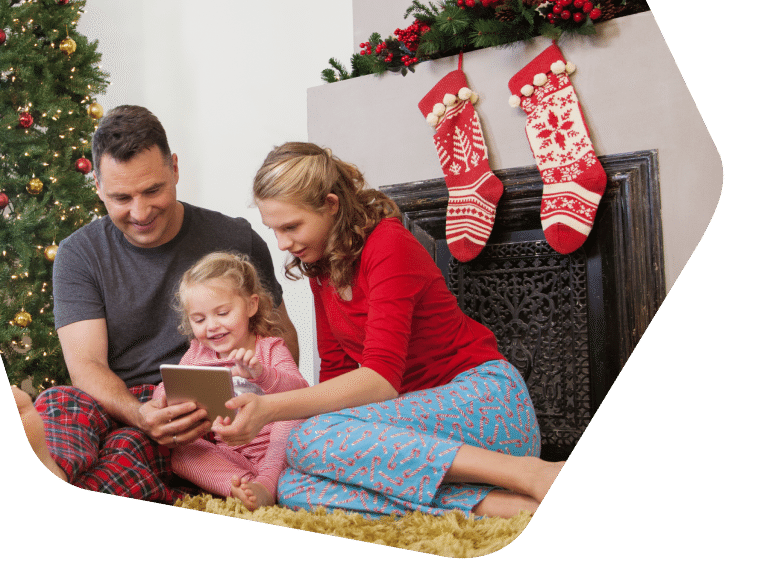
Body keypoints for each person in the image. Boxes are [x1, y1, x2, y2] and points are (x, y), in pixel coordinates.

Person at [211, 142, 564, 519]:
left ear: (331, 204)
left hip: (487, 403)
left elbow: (380, 381)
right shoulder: (322, 268)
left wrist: (269, 409)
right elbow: (336, 373)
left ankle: (530, 473)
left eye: (291, 226)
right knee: (294, 486)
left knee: (307, 439)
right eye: (274, 230)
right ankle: (491, 504)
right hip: (417, 432)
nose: (283, 243)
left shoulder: (389, 243)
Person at [31, 105, 298, 503]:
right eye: (121, 197)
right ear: (98, 188)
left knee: (127, 449)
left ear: (174, 168)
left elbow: (280, 338)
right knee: (59, 400)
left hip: (193, 413)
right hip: (119, 398)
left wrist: (248, 384)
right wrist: (139, 414)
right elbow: (86, 365)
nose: (139, 212)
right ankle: (49, 470)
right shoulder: (79, 254)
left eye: (152, 190)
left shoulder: (234, 239)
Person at [151, 252, 308, 510]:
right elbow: (170, 390)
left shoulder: (269, 349)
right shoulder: (196, 354)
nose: (211, 326)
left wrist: (262, 375)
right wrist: (163, 398)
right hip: (232, 454)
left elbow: (301, 393)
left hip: (278, 450)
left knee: (292, 418)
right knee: (179, 450)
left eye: (223, 313)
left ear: (251, 305)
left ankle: (267, 484)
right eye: (199, 319)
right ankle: (241, 486)